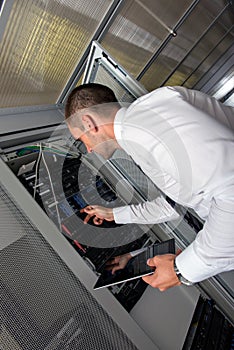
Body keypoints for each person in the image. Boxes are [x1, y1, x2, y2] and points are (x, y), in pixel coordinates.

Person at [65, 83, 234, 291]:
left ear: (88, 122)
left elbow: (231, 192)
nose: (89, 150)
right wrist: (114, 214)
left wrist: (182, 270)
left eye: (82, 140)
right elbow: (175, 203)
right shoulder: (148, 119)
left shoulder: (147, 130)